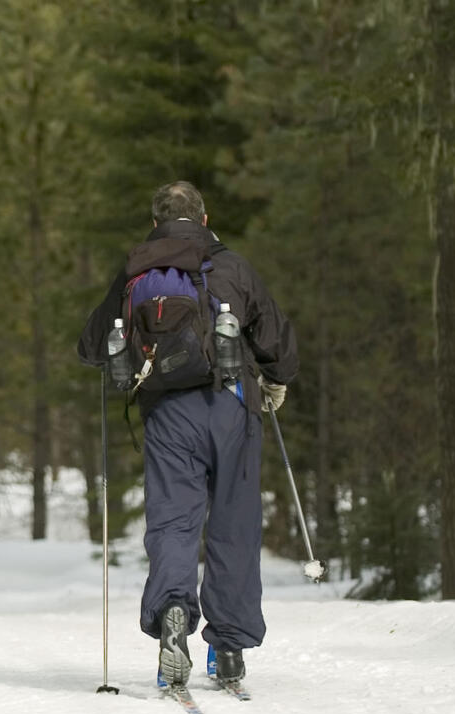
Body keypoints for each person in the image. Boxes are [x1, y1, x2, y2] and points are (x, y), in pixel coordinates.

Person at [77, 180, 298, 688]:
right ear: (204, 218)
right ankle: (229, 645)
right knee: (234, 523)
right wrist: (277, 380)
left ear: (155, 223)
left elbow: (92, 345)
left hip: (169, 410)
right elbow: (275, 340)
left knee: (174, 521)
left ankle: (173, 611)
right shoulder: (233, 266)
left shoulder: (137, 270)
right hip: (233, 404)